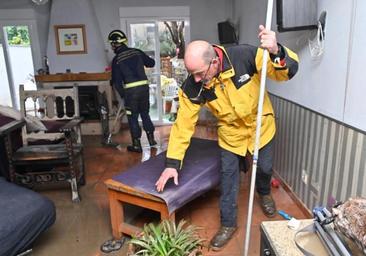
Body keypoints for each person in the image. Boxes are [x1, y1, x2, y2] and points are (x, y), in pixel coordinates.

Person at [155, 25, 299, 251]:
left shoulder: (244, 56)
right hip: (231, 135)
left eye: (200, 73)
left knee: (264, 168)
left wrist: (276, 51)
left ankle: (264, 192)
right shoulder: (194, 85)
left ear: (214, 62)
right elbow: (183, 125)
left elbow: (285, 73)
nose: (196, 78)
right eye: (192, 73)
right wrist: (172, 163)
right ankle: (228, 224)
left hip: (261, 127)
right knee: (228, 179)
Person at [108, 30, 157, 153]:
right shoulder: (137, 52)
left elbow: (117, 82)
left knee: (133, 117)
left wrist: (123, 95)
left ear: (114, 44)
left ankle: (137, 145)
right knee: (145, 114)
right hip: (144, 88)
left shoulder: (117, 60)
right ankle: (151, 140)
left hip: (131, 91)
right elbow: (151, 63)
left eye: (112, 44)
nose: (111, 47)